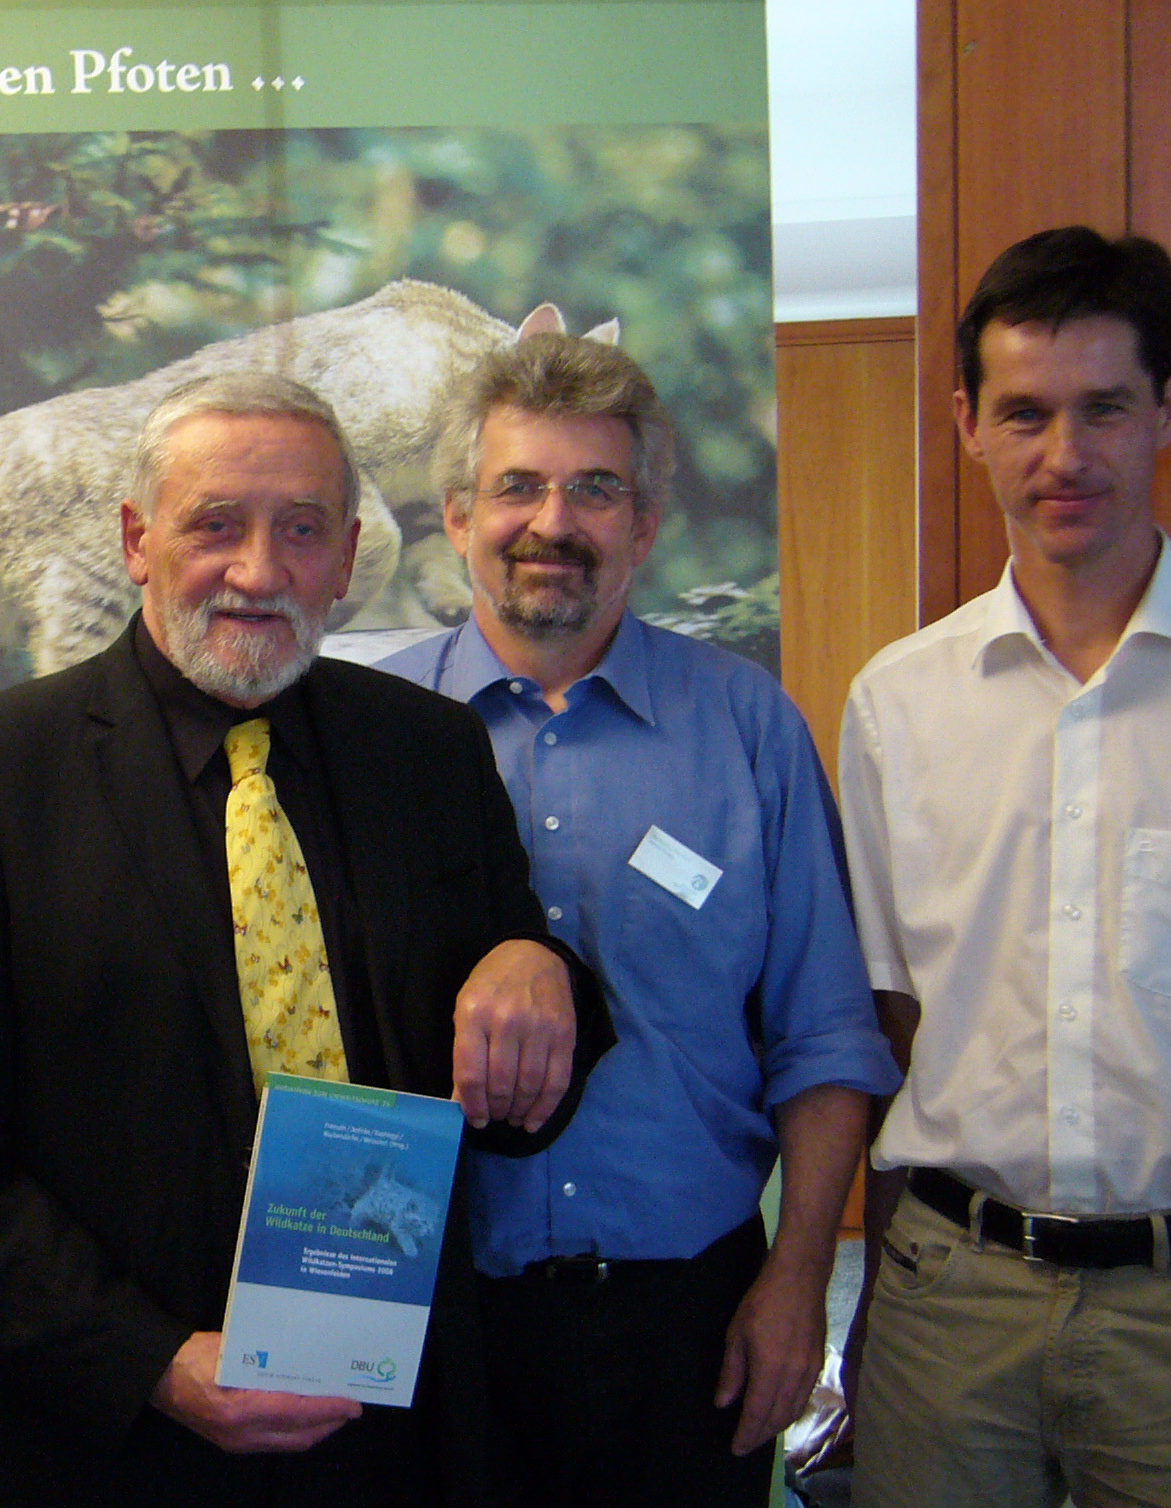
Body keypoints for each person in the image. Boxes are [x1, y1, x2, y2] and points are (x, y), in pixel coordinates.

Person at [0, 370, 612, 1508]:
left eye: (301, 530)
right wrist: (148, 1363)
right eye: (215, 525)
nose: (259, 572)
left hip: (392, 1437)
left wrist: (540, 971)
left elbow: (516, 1082)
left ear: (348, 556)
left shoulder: (429, 752)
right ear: (137, 541)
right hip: (113, 1445)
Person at [841, 226, 1171, 1507]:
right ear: (966, 422)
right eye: (1024, 412)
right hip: (948, 1309)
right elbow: (893, 1025)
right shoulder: (896, 704)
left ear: (1167, 407)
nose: (1064, 454)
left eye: (1103, 407)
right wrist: (874, 1303)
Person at [380, 330, 899, 1506]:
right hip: (435, 1322)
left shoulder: (748, 726)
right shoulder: (369, 730)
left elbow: (824, 1034)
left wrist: (798, 1279)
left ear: (645, 524)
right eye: (516, 485)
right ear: (456, 516)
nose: (551, 521)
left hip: (689, 1322)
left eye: (595, 489)